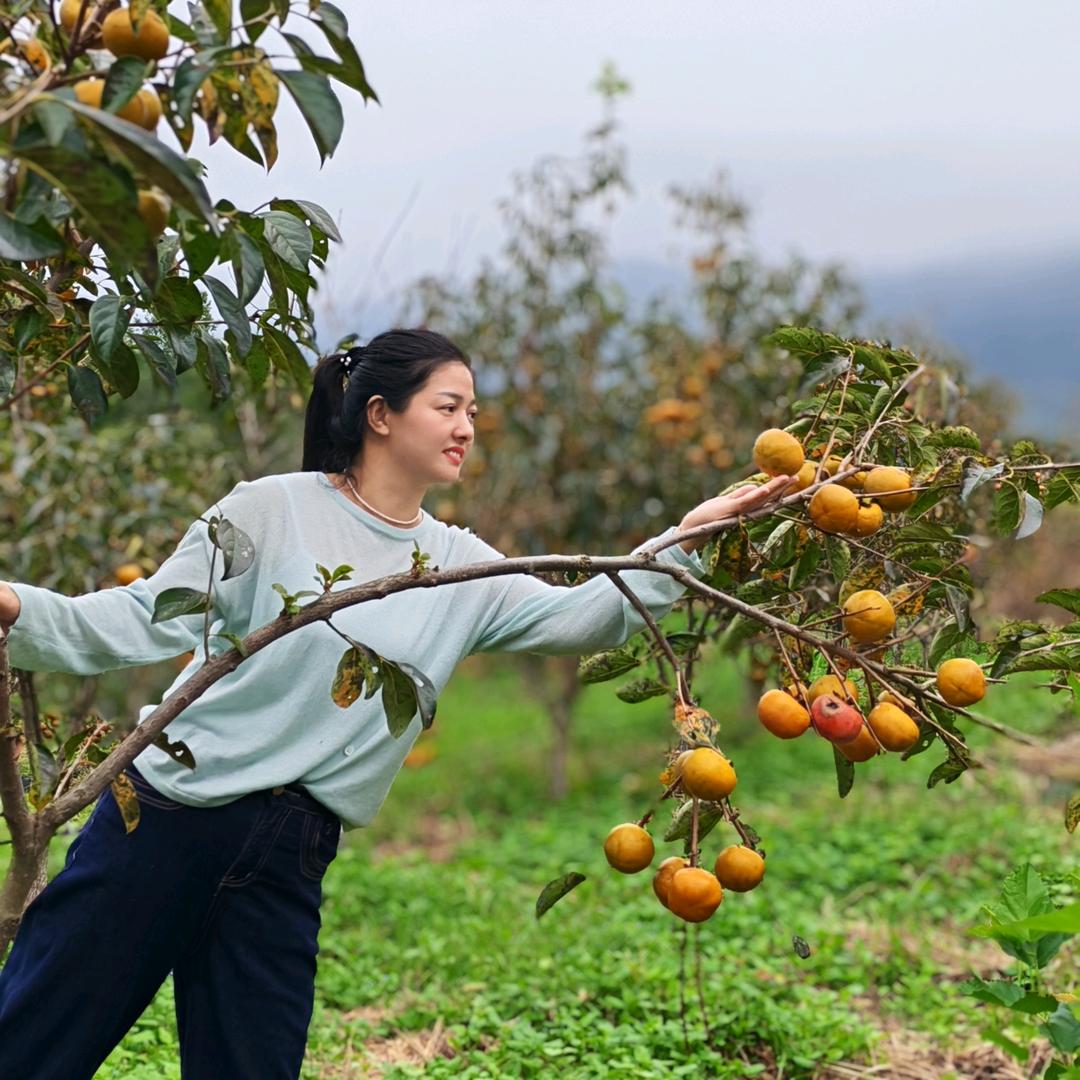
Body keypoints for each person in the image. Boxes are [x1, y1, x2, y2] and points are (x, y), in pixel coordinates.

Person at [0, 328, 791, 1079]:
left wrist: (686, 536)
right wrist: (17, 611)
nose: (466, 428)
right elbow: (144, 619)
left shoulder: (456, 565)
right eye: (447, 407)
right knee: (35, 1042)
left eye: (473, 413)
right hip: (164, 819)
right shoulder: (271, 509)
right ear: (380, 414)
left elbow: (588, 614)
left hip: (289, 854)